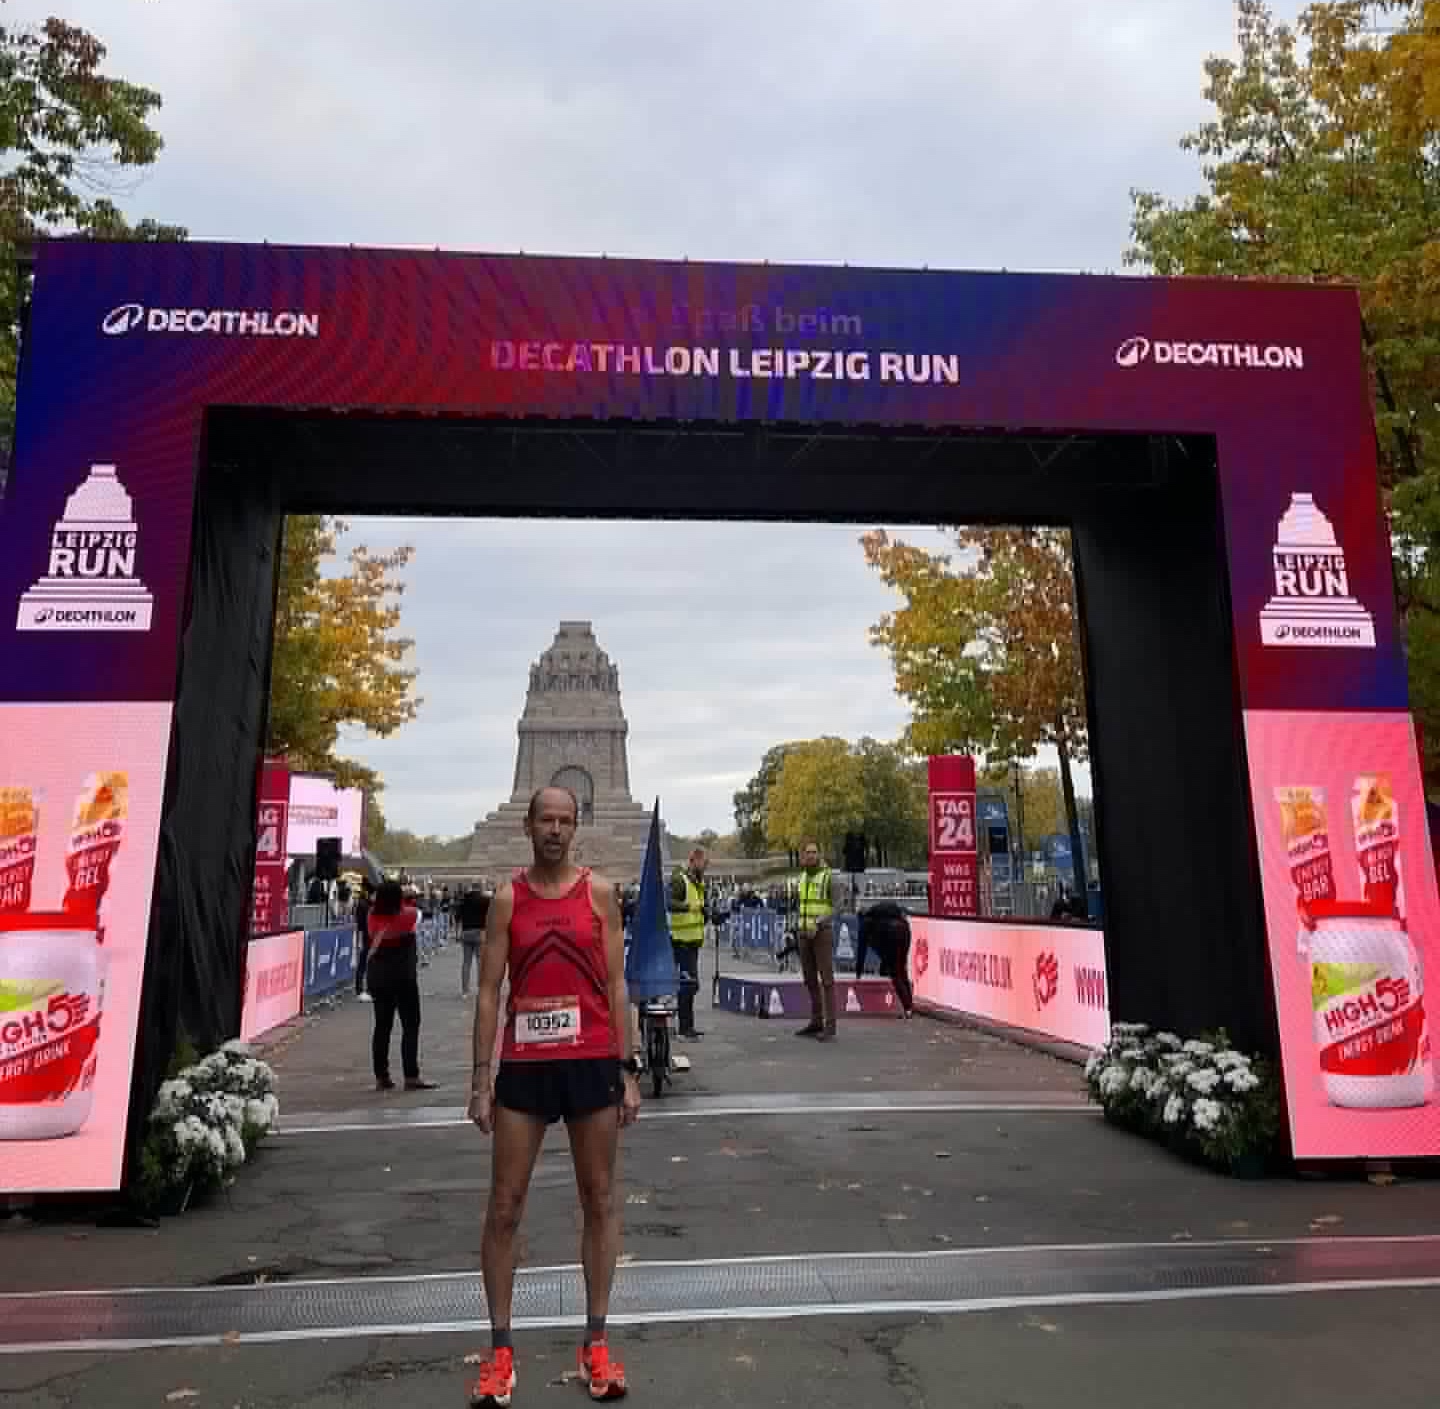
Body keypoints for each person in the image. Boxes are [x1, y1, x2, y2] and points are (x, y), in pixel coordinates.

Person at [466, 786, 641, 1407]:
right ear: (528, 825)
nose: (556, 830)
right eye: (547, 819)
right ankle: (501, 1351)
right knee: (505, 1206)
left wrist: (628, 1066)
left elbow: (619, 984)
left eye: (566, 821)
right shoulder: (508, 899)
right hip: (525, 1067)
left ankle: (595, 1340)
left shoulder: (599, 894)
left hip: (592, 1058)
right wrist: (480, 1079)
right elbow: (489, 991)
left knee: (599, 1199)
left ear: (577, 827)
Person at [366, 880, 437, 1092]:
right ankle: (411, 1075)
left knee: (382, 1027)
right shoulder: (410, 915)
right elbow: (419, 913)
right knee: (410, 1026)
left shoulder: (371, 916)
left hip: (378, 977)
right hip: (403, 978)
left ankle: (381, 1076)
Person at [794, 840, 836, 1041]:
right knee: (809, 979)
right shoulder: (801, 877)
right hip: (803, 934)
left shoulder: (828, 876)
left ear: (819, 854)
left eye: (814, 852)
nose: (811, 855)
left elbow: (838, 905)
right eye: (807, 852)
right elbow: (800, 905)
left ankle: (830, 1026)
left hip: (821, 933)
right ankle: (816, 1021)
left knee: (826, 980)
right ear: (802, 855)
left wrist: (818, 922)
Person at [667, 846, 708, 1041]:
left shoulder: (698, 882)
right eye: (702, 862)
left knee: (690, 985)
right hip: (681, 941)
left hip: (692, 941)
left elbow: (699, 909)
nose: (705, 865)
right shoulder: (680, 880)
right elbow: (669, 903)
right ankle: (684, 1028)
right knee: (688, 985)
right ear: (693, 861)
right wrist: (688, 907)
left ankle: (688, 1026)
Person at [857, 900, 915, 1017]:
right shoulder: (879, 917)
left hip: (892, 933)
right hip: (905, 929)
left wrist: (858, 972)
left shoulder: (866, 922)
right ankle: (910, 1007)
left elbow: (861, 949)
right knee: (902, 970)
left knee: (896, 974)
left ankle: (908, 1009)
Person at [458, 885, 491, 998]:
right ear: (480, 889)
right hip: (480, 932)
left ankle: (465, 990)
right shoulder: (485, 900)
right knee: (480, 962)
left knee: (466, 962)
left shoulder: (463, 900)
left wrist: (458, 933)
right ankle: (481, 988)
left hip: (466, 931)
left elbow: (458, 917)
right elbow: (489, 916)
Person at [353, 881, 373, 1002]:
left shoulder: (368, 904)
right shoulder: (363, 905)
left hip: (368, 937)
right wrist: (359, 940)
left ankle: (367, 989)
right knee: (363, 964)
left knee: (368, 964)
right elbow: (360, 925)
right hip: (365, 937)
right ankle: (360, 990)